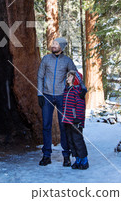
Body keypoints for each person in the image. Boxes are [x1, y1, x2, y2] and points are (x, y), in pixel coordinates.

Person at [37, 37, 85, 167]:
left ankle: (66, 156)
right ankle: (46, 155)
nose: (53, 45)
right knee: (46, 126)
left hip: (61, 97)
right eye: (53, 43)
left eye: (56, 44)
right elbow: (40, 76)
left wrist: (83, 87)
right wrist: (40, 94)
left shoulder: (67, 61)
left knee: (63, 126)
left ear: (61, 47)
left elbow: (76, 74)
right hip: (47, 96)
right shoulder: (46, 59)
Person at [62, 71, 89, 170]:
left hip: (76, 121)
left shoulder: (78, 91)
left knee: (78, 141)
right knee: (71, 141)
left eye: (70, 76)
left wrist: (78, 119)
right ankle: (77, 160)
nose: (67, 78)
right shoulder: (67, 90)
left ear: (75, 79)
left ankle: (84, 160)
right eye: (67, 76)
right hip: (67, 120)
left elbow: (80, 106)